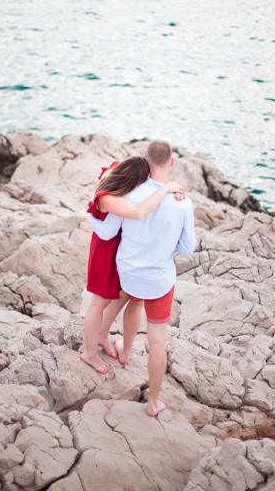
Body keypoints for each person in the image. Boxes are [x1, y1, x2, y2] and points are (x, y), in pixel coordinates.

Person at [89, 140, 196, 416]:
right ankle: (153, 402)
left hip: (129, 273)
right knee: (157, 339)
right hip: (159, 279)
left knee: (134, 302)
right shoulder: (182, 202)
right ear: (171, 162)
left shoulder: (129, 193)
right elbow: (186, 250)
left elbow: (109, 231)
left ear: (146, 162)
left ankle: (123, 350)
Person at [81, 156, 185, 375]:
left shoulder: (116, 178)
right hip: (104, 252)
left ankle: (101, 335)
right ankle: (89, 353)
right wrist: (164, 189)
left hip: (118, 251)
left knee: (121, 294)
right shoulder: (107, 198)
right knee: (98, 302)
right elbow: (135, 214)